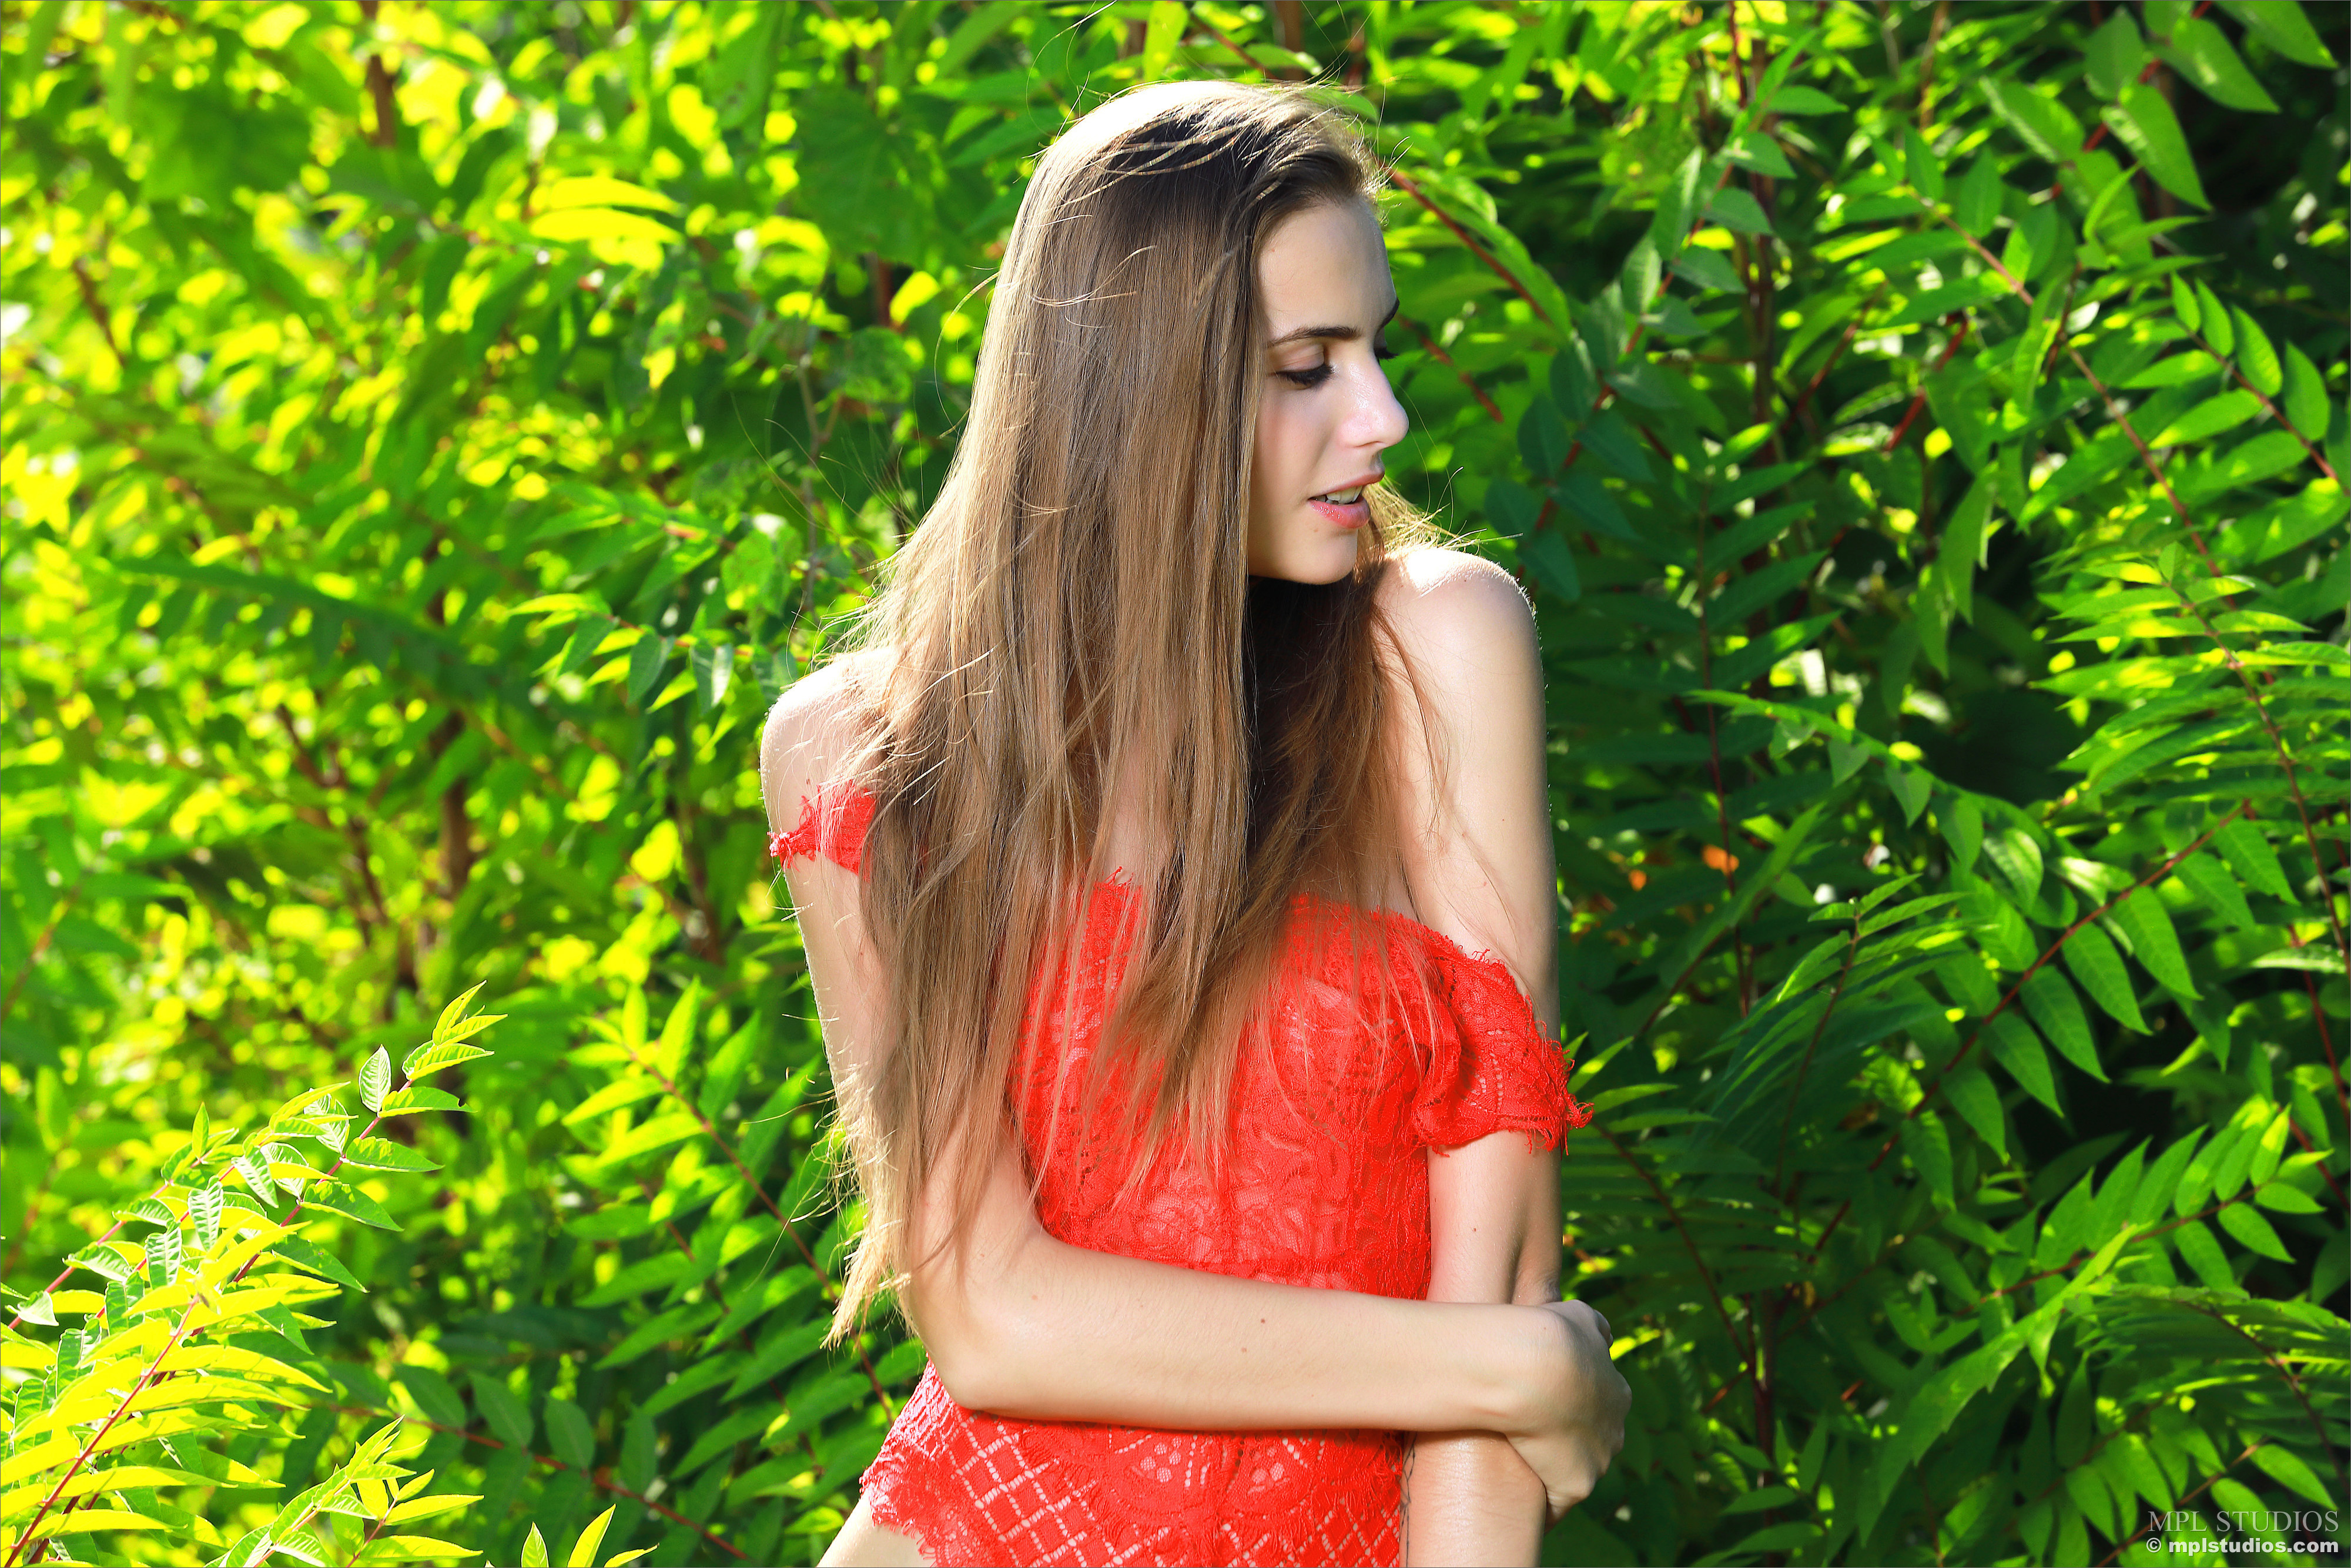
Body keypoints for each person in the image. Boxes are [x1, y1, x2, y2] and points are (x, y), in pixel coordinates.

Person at [760, 80, 1627, 1568]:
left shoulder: (1431, 653)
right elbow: (988, 1317)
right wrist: (1523, 1368)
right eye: (1306, 366)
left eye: (1375, 348)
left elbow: (1501, 1256)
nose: (1382, 416)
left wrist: (1503, 1358)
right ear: (1136, 391)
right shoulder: (864, 754)